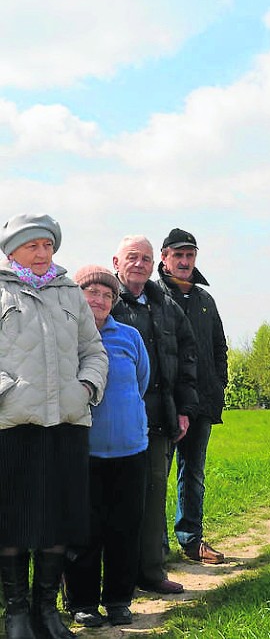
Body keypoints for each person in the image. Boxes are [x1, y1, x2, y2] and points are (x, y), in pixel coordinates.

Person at [0, 214, 108, 639]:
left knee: (58, 520)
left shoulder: (69, 293)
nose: (43, 253)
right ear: (12, 252)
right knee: (12, 521)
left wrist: (84, 387)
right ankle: (16, 616)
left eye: (48, 245)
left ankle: (47, 613)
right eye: (33, 246)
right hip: (12, 425)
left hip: (65, 424)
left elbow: (93, 350)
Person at [111, 235, 198, 595]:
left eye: (146, 259)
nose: (140, 264)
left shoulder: (164, 304)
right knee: (113, 500)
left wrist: (185, 409)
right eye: (132, 257)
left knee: (151, 497)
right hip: (112, 421)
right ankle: (115, 581)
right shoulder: (105, 300)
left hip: (159, 419)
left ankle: (150, 571)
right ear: (116, 262)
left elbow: (187, 356)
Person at [64, 266, 150, 628]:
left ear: (114, 302)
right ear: (77, 296)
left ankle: (119, 600)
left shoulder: (129, 336)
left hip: (130, 451)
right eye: (91, 293)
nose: (99, 300)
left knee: (125, 530)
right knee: (84, 530)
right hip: (83, 452)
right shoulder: (66, 337)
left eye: (107, 295)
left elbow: (142, 381)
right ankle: (82, 603)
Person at [158, 229, 228, 564]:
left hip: (201, 401)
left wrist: (219, 386)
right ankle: (155, 549)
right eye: (178, 255)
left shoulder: (205, 300)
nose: (185, 261)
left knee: (193, 474)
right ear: (164, 257)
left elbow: (219, 348)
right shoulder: (153, 296)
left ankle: (191, 540)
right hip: (164, 404)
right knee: (157, 475)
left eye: (190, 255)